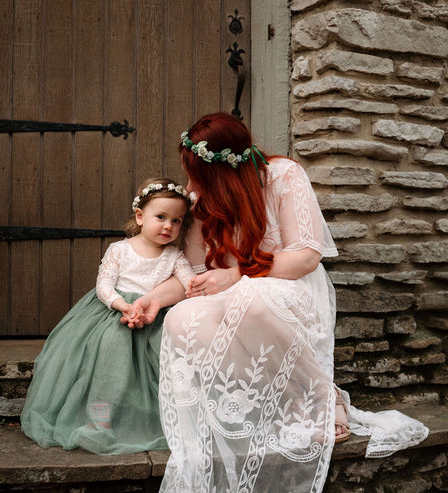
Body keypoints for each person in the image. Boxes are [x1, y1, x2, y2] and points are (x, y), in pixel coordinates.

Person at [124, 113, 344, 492]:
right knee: (184, 319)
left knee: (254, 297)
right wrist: (156, 299)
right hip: (231, 295)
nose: (190, 185)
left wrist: (239, 274)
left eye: (198, 176)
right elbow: (196, 277)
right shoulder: (199, 202)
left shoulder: (283, 176)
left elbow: (307, 256)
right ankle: (245, 411)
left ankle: (321, 399)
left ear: (225, 173)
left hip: (289, 287)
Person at [20, 177, 195, 455]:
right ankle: (98, 421)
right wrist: (121, 305)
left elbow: (189, 282)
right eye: (160, 217)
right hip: (113, 317)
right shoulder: (120, 249)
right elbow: (103, 285)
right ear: (140, 216)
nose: (168, 226)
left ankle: (154, 421)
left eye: (177, 221)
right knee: (107, 370)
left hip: (153, 318)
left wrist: (197, 287)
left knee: (158, 370)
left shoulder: (174, 255)